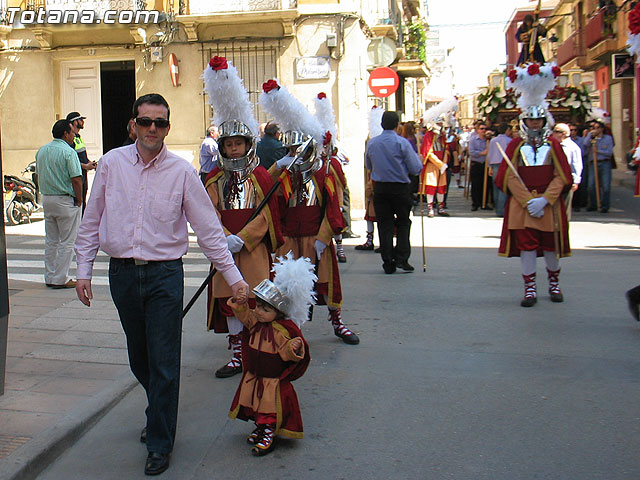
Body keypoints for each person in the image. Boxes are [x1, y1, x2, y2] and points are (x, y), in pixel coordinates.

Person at [74, 93, 249, 476]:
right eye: (146, 121)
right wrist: (83, 269)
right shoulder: (110, 164)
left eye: (161, 123)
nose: (153, 129)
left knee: (165, 362)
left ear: (168, 128)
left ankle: (159, 442)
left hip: (165, 276)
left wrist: (235, 279)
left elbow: (208, 231)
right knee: (141, 359)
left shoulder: (182, 172)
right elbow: (92, 219)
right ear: (133, 125)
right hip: (121, 274)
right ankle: (159, 412)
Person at [260, 81, 360, 345]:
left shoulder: (324, 172)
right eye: (289, 150)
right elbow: (266, 193)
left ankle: (337, 322)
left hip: (316, 238)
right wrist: (276, 167)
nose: (293, 155)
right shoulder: (283, 172)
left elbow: (333, 208)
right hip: (289, 240)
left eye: (297, 150)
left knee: (327, 283)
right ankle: (286, 329)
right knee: (284, 285)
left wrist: (323, 238)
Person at [203, 57, 282, 379]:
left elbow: (267, 215)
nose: (234, 150)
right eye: (229, 144)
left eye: (239, 144)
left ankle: (258, 348)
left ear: (249, 145)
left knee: (256, 300)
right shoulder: (213, 177)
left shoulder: (261, 176)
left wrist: (244, 238)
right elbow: (207, 212)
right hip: (225, 250)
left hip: (253, 250)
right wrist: (222, 238)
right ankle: (237, 354)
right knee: (229, 301)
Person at [497, 63, 572, 308]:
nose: (535, 124)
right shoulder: (515, 146)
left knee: (551, 246)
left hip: (547, 205)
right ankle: (530, 289)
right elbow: (508, 176)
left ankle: (554, 284)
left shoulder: (554, 144)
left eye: (539, 120)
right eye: (531, 120)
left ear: (545, 121)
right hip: (523, 206)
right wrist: (528, 200)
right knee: (527, 247)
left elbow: (562, 175)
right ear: (524, 121)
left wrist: (545, 200)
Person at [227, 253, 313, 456]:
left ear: (279, 312)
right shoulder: (255, 322)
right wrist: (240, 304)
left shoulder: (283, 331)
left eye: (266, 309)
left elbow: (288, 353)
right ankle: (260, 427)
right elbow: (244, 315)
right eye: (258, 306)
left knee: (268, 407)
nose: (259, 311)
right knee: (255, 405)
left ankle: (268, 432)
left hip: (271, 381)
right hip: (254, 376)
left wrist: (294, 348)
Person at [365, 111, 423, 274]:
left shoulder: (372, 143)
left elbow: (368, 165)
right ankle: (402, 258)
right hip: (400, 188)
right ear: (397, 126)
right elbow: (415, 168)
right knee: (404, 222)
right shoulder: (402, 143)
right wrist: (419, 161)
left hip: (381, 188)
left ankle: (388, 260)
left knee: (385, 224)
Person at [36, 119, 83, 289]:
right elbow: (76, 179)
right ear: (65, 133)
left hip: (47, 198)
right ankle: (60, 278)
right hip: (64, 199)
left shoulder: (42, 151)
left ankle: (49, 276)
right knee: (67, 241)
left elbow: (37, 174)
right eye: (72, 132)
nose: (74, 135)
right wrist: (79, 200)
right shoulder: (68, 152)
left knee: (52, 240)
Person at [356, 106, 383, 252]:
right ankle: (372, 240)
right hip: (374, 181)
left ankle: (376, 241)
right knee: (371, 215)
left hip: (376, 182)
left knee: (376, 215)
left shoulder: (374, 145)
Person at [66, 112, 97, 212]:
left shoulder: (78, 137)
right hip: (76, 175)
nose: (83, 122)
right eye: (81, 119)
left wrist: (90, 163)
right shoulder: (70, 139)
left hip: (83, 174)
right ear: (75, 122)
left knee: (83, 200)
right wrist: (85, 166)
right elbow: (70, 161)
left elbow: (82, 156)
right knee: (78, 203)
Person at [419, 118, 450, 217]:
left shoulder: (442, 136)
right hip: (432, 165)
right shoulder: (429, 135)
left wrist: (444, 163)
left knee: (441, 186)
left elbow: (446, 150)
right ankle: (430, 208)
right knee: (430, 186)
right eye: (438, 123)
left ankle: (440, 207)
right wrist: (439, 164)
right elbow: (428, 152)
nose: (440, 124)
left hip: (442, 165)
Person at [584, 120, 614, 213]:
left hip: (605, 163)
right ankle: (593, 204)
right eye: (593, 128)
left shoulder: (608, 138)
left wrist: (598, 151)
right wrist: (590, 135)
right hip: (594, 163)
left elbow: (609, 153)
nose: (595, 130)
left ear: (601, 129)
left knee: (605, 186)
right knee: (591, 185)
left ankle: (604, 205)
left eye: (597, 128)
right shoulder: (592, 139)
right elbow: (585, 144)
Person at [552, 123, 583, 210]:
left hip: (566, 179)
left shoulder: (573, 147)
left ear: (564, 134)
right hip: (553, 180)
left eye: (556, 132)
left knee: (564, 207)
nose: (553, 134)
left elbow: (576, 164)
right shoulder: (552, 145)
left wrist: (576, 181)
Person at [487, 123, 513, 217]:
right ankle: (502, 210)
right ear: (506, 130)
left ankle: (497, 207)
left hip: (494, 165)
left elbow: (490, 154)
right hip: (505, 165)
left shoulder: (493, 140)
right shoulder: (509, 141)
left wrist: (490, 166)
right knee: (503, 187)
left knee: (496, 187)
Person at [468, 121, 489, 211]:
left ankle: (484, 203)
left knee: (486, 184)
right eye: (481, 129)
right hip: (476, 163)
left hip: (485, 164)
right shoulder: (473, 140)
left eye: (485, 129)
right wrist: (482, 153)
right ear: (478, 130)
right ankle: (475, 203)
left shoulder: (488, 140)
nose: (483, 130)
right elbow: (471, 152)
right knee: (476, 184)